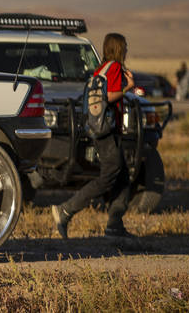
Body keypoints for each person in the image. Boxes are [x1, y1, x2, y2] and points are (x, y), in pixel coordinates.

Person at [52, 33, 136, 239]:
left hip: (102, 128)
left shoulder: (101, 69)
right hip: (106, 131)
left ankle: (115, 225)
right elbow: (110, 95)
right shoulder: (114, 68)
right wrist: (128, 88)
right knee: (109, 175)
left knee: (123, 176)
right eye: (124, 46)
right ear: (118, 48)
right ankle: (66, 210)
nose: (126, 50)